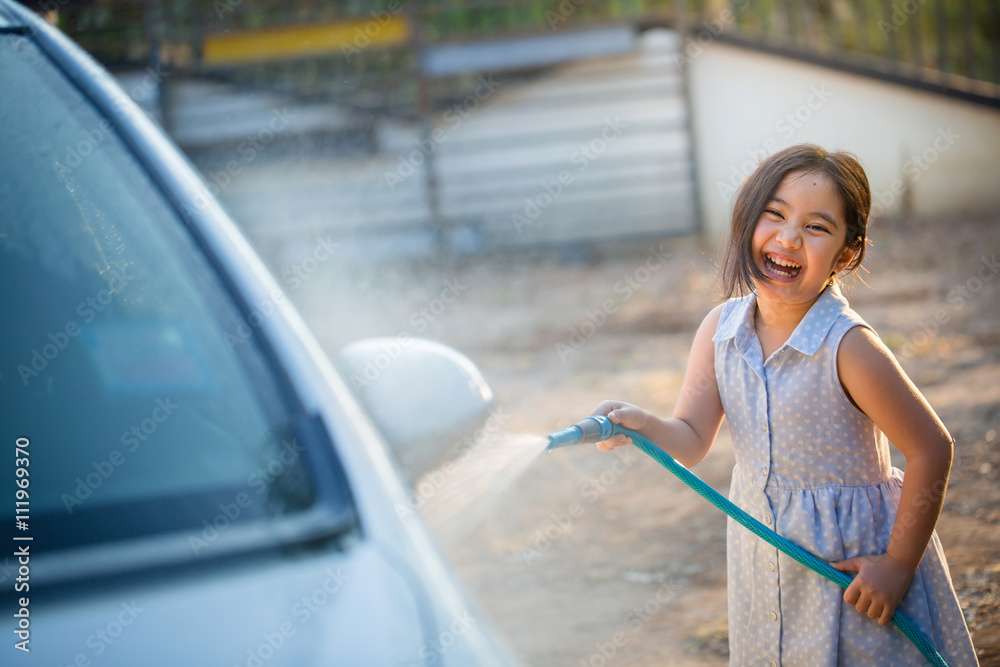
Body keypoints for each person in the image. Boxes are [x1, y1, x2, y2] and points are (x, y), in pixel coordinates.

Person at [592, 144, 979, 666]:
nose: (789, 236)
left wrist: (897, 565)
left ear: (845, 254)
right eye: (774, 214)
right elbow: (690, 437)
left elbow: (932, 448)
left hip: (852, 570)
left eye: (817, 227)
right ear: (747, 221)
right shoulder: (720, 331)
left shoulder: (848, 347)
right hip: (767, 562)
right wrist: (645, 426)